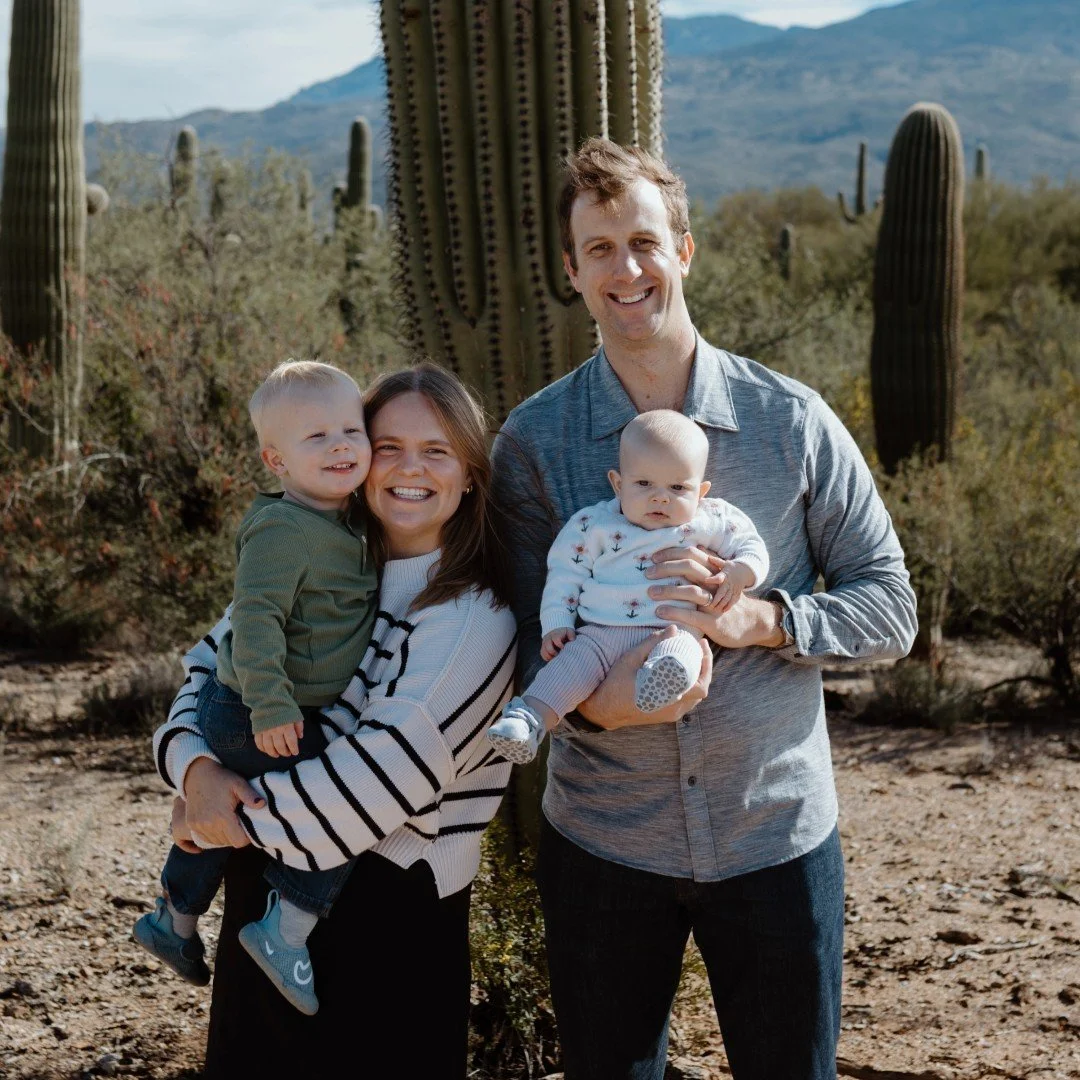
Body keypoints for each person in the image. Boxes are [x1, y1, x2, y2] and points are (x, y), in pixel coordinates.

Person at [491, 138, 918, 1080]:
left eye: (643, 242)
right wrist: (598, 701)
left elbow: (892, 607)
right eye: (598, 249)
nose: (625, 269)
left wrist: (763, 619)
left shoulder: (791, 421)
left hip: (774, 832)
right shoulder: (534, 443)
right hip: (605, 839)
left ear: (683, 250)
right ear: (571, 271)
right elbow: (522, 634)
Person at [151, 363, 517, 1078]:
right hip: (264, 898)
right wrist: (195, 769)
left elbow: (373, 790)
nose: (410, 468)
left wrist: (212, 818)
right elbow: (205, 671)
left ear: (471, 474)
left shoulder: (475, 617)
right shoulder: (323, 559)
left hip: (391, 923)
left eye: (437, 450)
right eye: (389, 446)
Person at [134, 360, 378, 1015]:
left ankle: (172, 920)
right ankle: (285, 929)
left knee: (226, 814)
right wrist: (272, 702)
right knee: (339, 814)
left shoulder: (347, 517)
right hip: (256, 709)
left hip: (272, 709)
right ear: (276, 460)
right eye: (316, 437)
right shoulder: (281, 528)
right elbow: (257, 618)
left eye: (351, 430)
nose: (340, 446)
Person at [487, 408, 768, 764]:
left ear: (701, 491)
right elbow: (565, 573)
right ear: (618, 484)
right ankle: (526, 723)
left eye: (678, 487)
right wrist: (556, 622)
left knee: (686, 651)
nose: (660, 497)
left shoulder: (710, 519)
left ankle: (660, 681)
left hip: (672, 627)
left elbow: (752, 546)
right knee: (567, 669)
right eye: (644, 484)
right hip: (599, 635)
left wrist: (740, 573)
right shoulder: (594, 524)